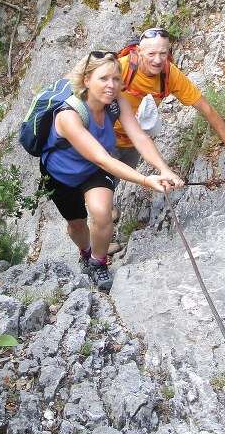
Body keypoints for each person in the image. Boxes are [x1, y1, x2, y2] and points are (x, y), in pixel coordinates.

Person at [40, 50, 184, 293]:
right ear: (86, 80)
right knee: (76, 226)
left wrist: (163, 169)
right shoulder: (68, 115)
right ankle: (85, 252)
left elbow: (138, 136)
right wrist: (147, 180)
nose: (111, 85)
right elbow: (103, 158)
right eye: (103, 79)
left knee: (101, 212)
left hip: (94, 170)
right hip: (62, 174)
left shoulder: (117, 101)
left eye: (116, 79)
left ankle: (97, 262)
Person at [112, 26, 225, 172]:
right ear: (138, 51)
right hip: (106, 135)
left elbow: (205, 107)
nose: (157, 60)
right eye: (151, 53)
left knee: (111, 183)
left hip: (133, 143)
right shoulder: (120, 68)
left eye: (163, 53)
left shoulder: (170, 75)